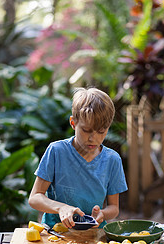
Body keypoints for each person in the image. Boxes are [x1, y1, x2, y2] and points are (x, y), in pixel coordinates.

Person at [28, 87, 128, 229]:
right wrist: (60, 208)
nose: (93, 138)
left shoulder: (112, 160)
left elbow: (114, 208)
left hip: (93, 234)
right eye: (86, 130)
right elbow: (35, 197)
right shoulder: (56, 151)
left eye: (101, 131)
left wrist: (102, 214)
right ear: (73, 123)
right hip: (56, 233)